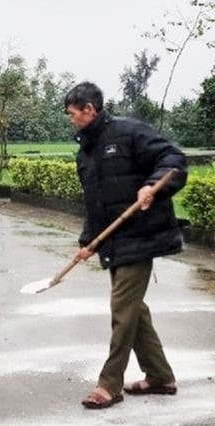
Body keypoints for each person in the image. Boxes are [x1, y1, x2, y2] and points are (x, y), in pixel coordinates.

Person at [64, 82, 188, 409]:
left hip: (142, 236)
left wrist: (151, 186)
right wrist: (88, 243)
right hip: (114, 241)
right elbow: (95, 204)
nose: (71, 119)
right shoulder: (86, 153)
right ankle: (160, 376)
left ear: (89, 109)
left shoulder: (130, 132)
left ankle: (109, 384)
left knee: (122, 309)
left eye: (73, 113)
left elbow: (173, 159)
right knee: (135, 311)